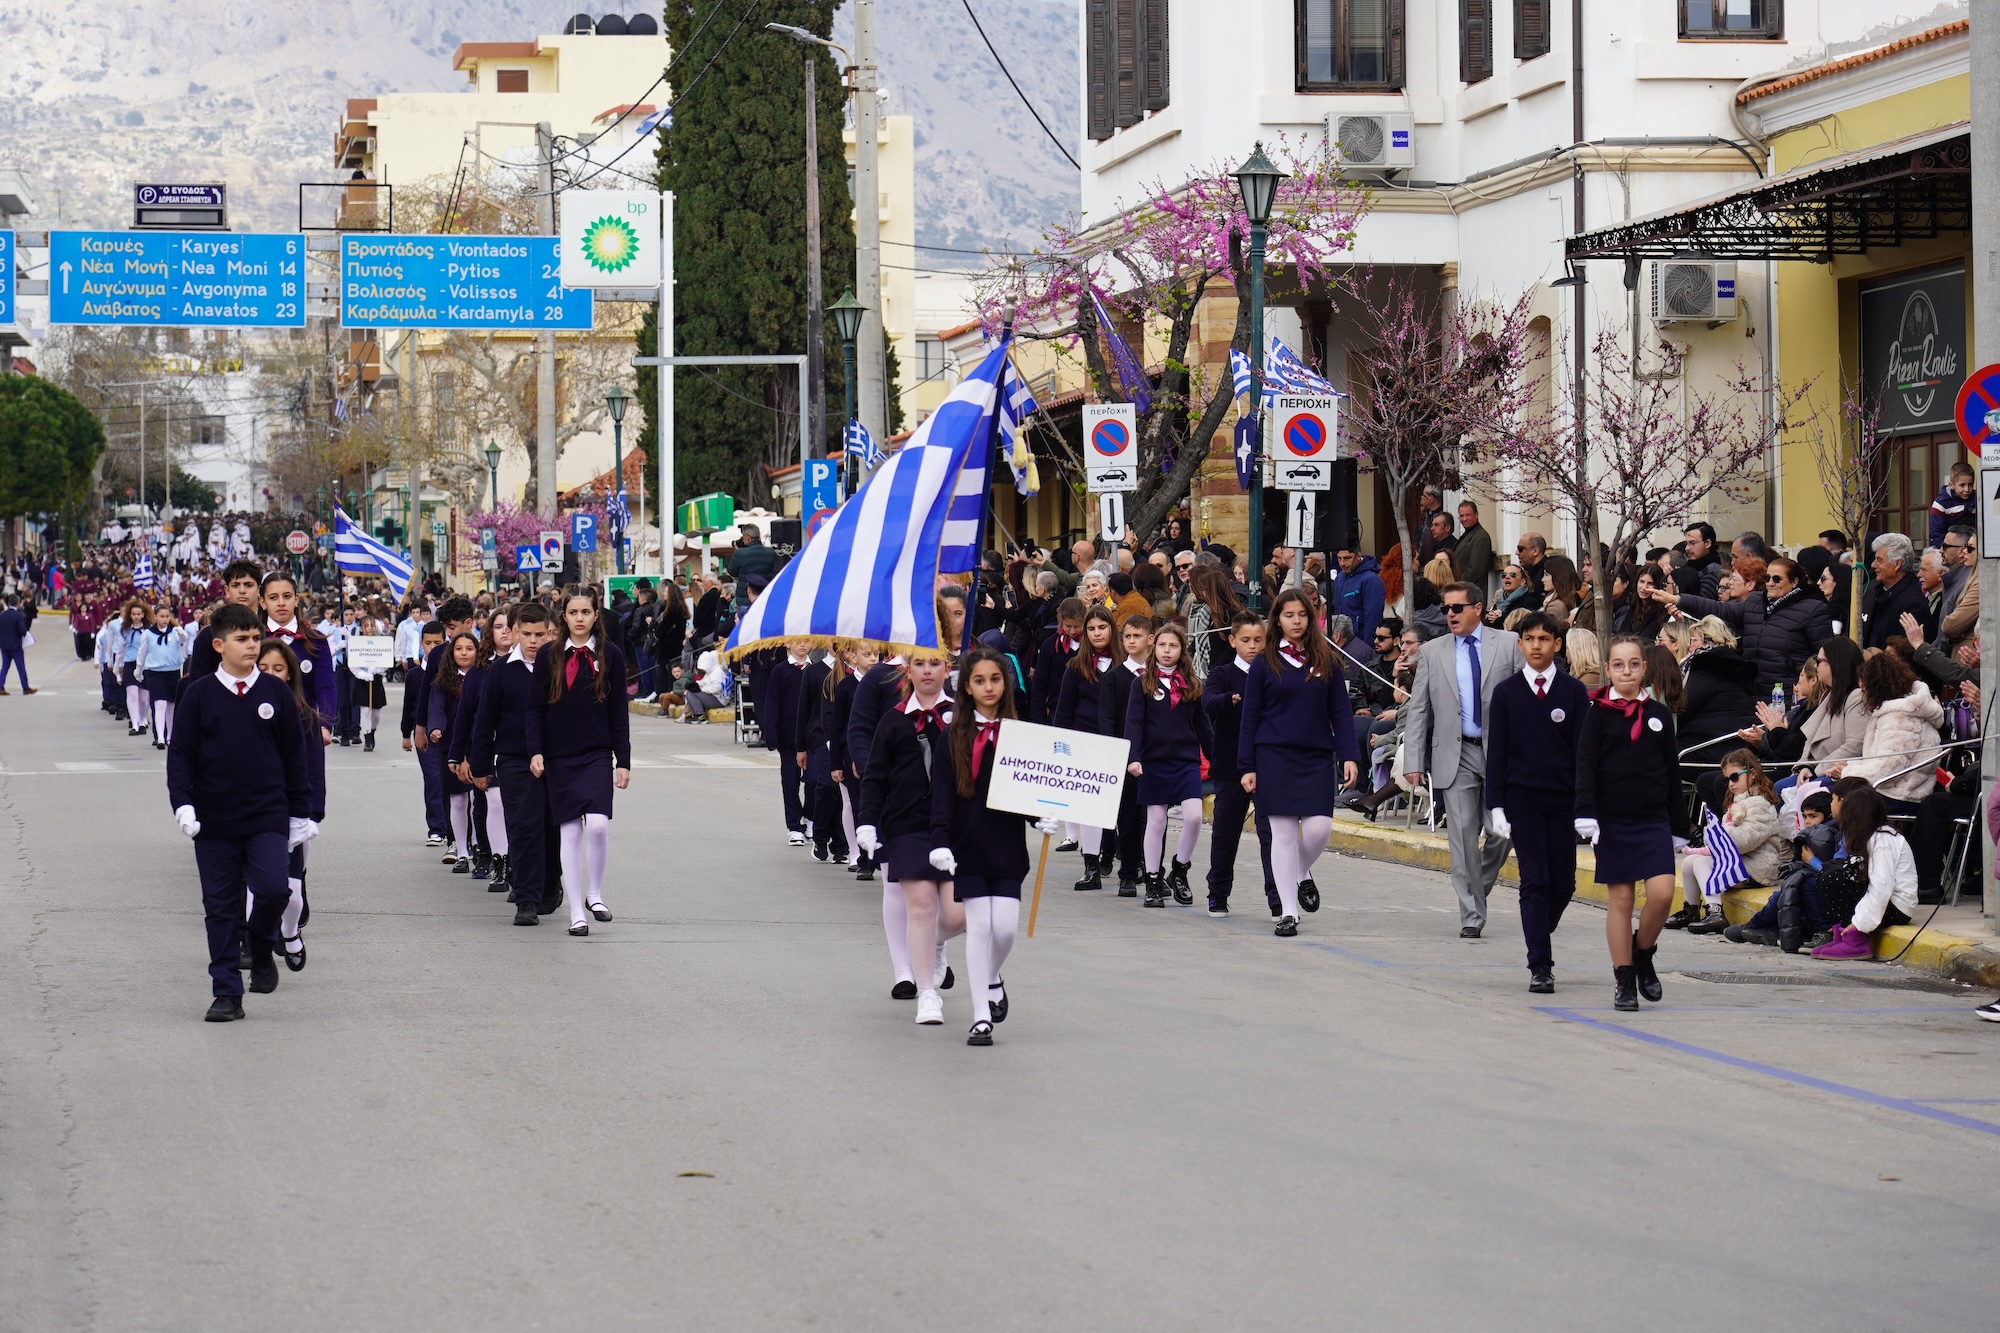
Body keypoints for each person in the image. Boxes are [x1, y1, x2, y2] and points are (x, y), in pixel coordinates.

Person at [165, 603, 314, 1022]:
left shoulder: (275, 692)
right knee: (221, 908)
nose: (252, 646)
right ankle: (227, 992)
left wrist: (300, 814)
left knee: (273, 889)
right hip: (214, 819)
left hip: (266, 814)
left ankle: (262, 947)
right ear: (219, 645)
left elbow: (294, 757)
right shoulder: (199, 694)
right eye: (242, 639)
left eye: (254, 638)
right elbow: (180, 755)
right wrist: (183, 804)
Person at [1401, 581, 1524, 938]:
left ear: (1478, 608)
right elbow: (1419, 709)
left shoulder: (1508, 644)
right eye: (1446, 609)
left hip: (1501, 752)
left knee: (1502, 832)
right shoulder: (1432, 651)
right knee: (1463, 835)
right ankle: (1471, 915)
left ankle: (1475, 887)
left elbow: (1525, 698)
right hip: (1456, 754)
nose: (1450, 614)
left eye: (1457, 608)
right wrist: (1413, 760)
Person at [1575, 634, 1690, 1013]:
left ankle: (1643, 952)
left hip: (1653, 819)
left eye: (1634, 664)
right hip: (1612, 820)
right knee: (1622, 899)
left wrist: (1679, 826)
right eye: (1619, 665)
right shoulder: (1597, 713)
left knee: (1662, 894)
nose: (1627, 671)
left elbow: (1671, 772)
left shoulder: (1659, 714)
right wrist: (1586, 813)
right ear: (1608, 670)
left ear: (1645, 668)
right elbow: (1586, 767)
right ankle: (1623, 978)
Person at [1239, 588, 1361, 937]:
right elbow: (1250, 716)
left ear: (1311, 618)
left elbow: (1341, 712)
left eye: (1302, 615)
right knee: (1282, 835)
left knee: (1320, 829)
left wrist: (1350, 755)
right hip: (1273, 756)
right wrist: (1247, 766)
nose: (1296, 621)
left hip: (1316, 756)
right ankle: (1288, 911)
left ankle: (1297, 872)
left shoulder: (1326, 660)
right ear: (1277, 620)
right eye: (1289, 615)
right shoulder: (1264, 663)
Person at [931, 647, 1036, 1046]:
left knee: (1004, 929)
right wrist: (940, 842)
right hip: (967, 847)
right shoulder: (952, 736)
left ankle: (992, 976)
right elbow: (942, 796)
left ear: (1005, 684)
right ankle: (980, 1017)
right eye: (979, 680)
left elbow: (1031, 788)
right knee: (979, 927)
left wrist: (1041, 816)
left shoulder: (1019, 735)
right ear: (966, 688)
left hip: (1007, 847)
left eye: (995, 679)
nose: (988, 687)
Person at [1483, 612, 1590, 992]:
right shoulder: (1507, 693)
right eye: (1529, 639)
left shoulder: (1573, 692)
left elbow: (1583, 754)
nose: (1537, 646)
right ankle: (1540, 965)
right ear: (1520, 644)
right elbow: (1497, 753)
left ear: (1557, 644)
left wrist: (1587, 807)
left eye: (1544, 639)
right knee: (1535, 879)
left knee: (1563, 883)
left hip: (1563, 800)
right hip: (1522, 799)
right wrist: (1496, 805)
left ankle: (1538, 928)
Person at [856, 650, 963, 1025]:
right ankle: (927, 993)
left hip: (955, 828)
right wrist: (867, 822)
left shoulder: (963, 717)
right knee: (921, 906)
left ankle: (936, 943)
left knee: (957, 914)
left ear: (947, 669)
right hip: (907, 826)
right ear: (908, 670)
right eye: (920, 664)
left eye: (935, 664)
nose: (928, 671)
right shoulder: (894, 720)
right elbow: (875, 777)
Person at [528, 592, 630, 936]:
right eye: (573, 612)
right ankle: (575, 912)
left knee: (598, 826)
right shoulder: (548, 655)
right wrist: (535, 750)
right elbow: (535, 708)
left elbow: (619, 711)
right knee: (570, 832)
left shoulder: (610, 654)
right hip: (559, 755)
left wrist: (623, 760)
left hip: (597, 753)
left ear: (596, 615)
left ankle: (594, 894)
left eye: (586, 611)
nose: (580, 618)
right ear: (564, 617)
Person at [471, 602, 558, 925]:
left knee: (552, 827)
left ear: (550, 633)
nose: (534, 641)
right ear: (515, 632)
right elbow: (485, 718)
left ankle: (550, 885)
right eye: (527, 634)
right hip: (514, 759)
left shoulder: (559, 666)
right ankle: (526, 898)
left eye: (540, 634)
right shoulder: (501, 670)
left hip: (556, 759)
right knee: (523, 827)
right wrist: (481, 766)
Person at [1124, 623, 1212, 908]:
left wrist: (1218, 760)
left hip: (1186, 761)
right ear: (1154, 647)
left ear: (1182, 650)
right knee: (1157, 821)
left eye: (1173, 646)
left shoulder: (1192, 685)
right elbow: (1133, 724)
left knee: (1194, 817)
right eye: (1162, 645)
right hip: (1153, 761)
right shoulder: (1142, 684)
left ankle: (1180, 870)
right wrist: (1134, 757)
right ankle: (1152, 879)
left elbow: (1204, 727)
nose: (1166, 650)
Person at [255, 639, 326, 972]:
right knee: (256, 890)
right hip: (254, 812)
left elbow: (314, 771)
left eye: (278, 668)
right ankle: (260, 948)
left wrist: (312, 815)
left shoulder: (305, 716)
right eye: (263, 668)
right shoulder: (242, 711)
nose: (271, 674)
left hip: (292, 812)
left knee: (292, 892)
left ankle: (290, 931)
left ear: (290, 674)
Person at [1203, 612, 1280, 918]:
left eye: (1259, 640)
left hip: (1267, 767)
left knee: (1270, 834)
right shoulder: (1222, 674)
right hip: (1230, 767)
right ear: (1233, 640)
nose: (1253, 646)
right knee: (1225, 833)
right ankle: (1218, 893)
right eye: (1246, 640)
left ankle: (1278, 898)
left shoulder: (1274, 673)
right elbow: (1208, 701)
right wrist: (1227, 700)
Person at [1681, 749, 1788, 935]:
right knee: (1689, 862)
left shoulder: (1760, 804)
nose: (1730, 783)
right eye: (1727, 779)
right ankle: (1691, 909)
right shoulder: (1739, 803)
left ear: (1752, 773)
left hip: (1758, 869)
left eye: (1734, 777)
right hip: (1742, 863)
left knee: (1701, 863)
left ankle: (1715, 912)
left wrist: (1716, 833)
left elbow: (1743, 842)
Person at [1810, 782, 1918, 959]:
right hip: (1884, 901)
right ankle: (1842, 935)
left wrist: (1859, 924)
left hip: (1897, 907)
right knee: (1829, 874)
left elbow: (1881, 887)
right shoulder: (1870, 837)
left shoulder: (1882, 840)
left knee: (1833, 879)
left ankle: (1855, 940)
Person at [1828, 650, 1943, 811]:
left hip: (1900, 793)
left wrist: (1848, 772)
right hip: (1891, 786)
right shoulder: (1900, 710)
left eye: (1863, 689)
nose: (1862, 696)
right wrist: (1848, 766)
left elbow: (1889, 768)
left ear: (1876, 688)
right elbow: (1885, 762)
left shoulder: (1899, 717)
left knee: (1823, 794)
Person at [1055, 607, 1119, 893]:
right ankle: (1091, 866)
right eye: (1091, 629)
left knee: (1117, 806)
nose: (1097, 633)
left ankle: (1113, 848)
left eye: (1102, 628)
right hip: (1084, 742)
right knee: (1089, 806)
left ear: (1112, 629)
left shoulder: (1125, 665)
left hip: (1117, 743)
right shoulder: (1075, 667)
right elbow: (1064, 710)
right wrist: (1060, 747)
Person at [1097, 613, 1155, 897]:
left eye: (1137, 636)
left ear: (1150, 639)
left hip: (1155, 754)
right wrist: (1113, 751)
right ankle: (1128, 873)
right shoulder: (1115, 677)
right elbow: (1107, 717)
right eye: (1127, 636)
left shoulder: (1158, 676)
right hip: (1126, 756)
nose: (1131, 641)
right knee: (1129, 816)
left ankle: (1152, 869)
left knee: (1154, 818)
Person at [428, 631, 481, 873]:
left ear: (478, 652)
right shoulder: (443, 680)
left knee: (478, 801)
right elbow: (436, 707)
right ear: (452, 653)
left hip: (478, 744)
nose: (464, 653)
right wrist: (435, 728)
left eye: (469, 648)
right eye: (459, 649)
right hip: (451, 745)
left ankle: (479, 845)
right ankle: (461, 851)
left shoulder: (485, 677)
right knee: (458, 799)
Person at [1859, 532, 1927, 650]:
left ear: (1897, 564)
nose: (1873, 565)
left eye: (1879, 560)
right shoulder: (1873, 590)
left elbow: (1902, 653)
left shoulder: (1913, 604)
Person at [1029, 598, 1085, 726]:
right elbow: (1039, 686)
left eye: (1077, 626)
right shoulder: (1049, 646)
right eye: (1068, 626)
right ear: (1061, 621)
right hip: (1057, 709)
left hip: (1085, 712)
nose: (1072, 631)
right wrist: (1039, 721)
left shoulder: (1090, 645)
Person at [137, 603, 186, 747]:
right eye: (162, 616)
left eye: (167, 616)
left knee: (171, 705)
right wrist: (139, 669)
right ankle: (160, 737)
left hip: (173, 672)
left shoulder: (175, 632)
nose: (165, 619)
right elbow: (142, 653)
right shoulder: (148, 634)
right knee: (160, 704)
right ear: (155, 617)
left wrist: (182, 634)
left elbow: (184, 641)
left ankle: (170, 736)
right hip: (155, 673)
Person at [1329, 547, 1385, 651]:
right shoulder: (1339, 578)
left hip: (1361, 643)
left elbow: (1373, 617)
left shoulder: (1371, 580)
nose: (1342, 563)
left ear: (1358, 555)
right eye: (1339, 558)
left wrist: (1367, 648)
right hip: (1341, 643)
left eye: (1347, 558)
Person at [727, 525, 778, 611]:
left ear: (747, 537)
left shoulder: (740, 553)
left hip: (745, 599)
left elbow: (732, 572)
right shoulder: (771, 552)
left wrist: (737, 550)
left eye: (743, 537)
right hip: (765, 596)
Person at [1928, 461, 1977, 549]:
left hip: (1973, 546)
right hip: (1950, 548)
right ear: (1951, 485)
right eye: (1962, 485)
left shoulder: (1977, 499)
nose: (1967, 489)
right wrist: (1942, 551)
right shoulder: (1942, 503)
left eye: (1970, 484)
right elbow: (1937, 532)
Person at [1454, 501, 1495, 593]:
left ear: (1476, 515)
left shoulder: (1481, 537)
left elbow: (1475, 570)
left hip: (1471, 592)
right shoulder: (1468, 534)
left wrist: (1457, 583)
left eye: (1468, 515)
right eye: (1461, 516)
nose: (1464, 519)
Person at [0, 592, 33, 695]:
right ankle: (25, 687)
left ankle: (0, 687)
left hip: (4, 645)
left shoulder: (2, 615)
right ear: (18, 603)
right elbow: (22, 630)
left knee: (5, 667)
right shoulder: (18, 616)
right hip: (15, 645)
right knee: (20, 667)